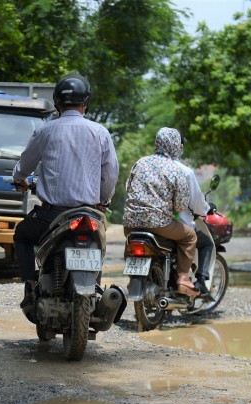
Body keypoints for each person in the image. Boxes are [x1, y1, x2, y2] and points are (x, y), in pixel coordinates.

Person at [11, 74, 119, 317]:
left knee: (22, 235)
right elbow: (110, 173)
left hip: (52, 216)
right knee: (97, 247)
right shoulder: (100, 132)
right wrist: (104, 198)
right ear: (85, 103)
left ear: (57, 103)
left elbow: (24, 166)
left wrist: (19, 179)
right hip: (89, 214)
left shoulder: (46, 131)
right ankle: (96, 289)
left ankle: (30, 286)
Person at [122, 127, 199, 296]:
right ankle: (183, 279)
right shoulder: (175, 168)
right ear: (175, 146)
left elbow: (128, 187)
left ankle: (132, 279)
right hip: (159, 224)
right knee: (190, 236)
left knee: (131, 242)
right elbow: (180, 205)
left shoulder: (140, 162)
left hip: (130, 223)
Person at [174, 135, 214, 298]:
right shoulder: (183, 171)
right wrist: (206, 208)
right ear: (178, 146)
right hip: (172, 224)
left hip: (138, 223)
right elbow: (197, 203)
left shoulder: (145, 165)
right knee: (203, 242)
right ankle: (196, 281)